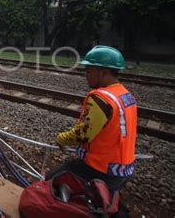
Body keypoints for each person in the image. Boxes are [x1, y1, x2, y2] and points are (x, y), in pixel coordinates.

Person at [47, 45, 137, 193]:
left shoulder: (101, 99)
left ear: (103, 72)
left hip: (100, 169)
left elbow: (83, 134)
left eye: (89, 71)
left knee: (50, 183)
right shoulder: (126, 95)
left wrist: (61, 139)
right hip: (122, 170)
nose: (86, 75)